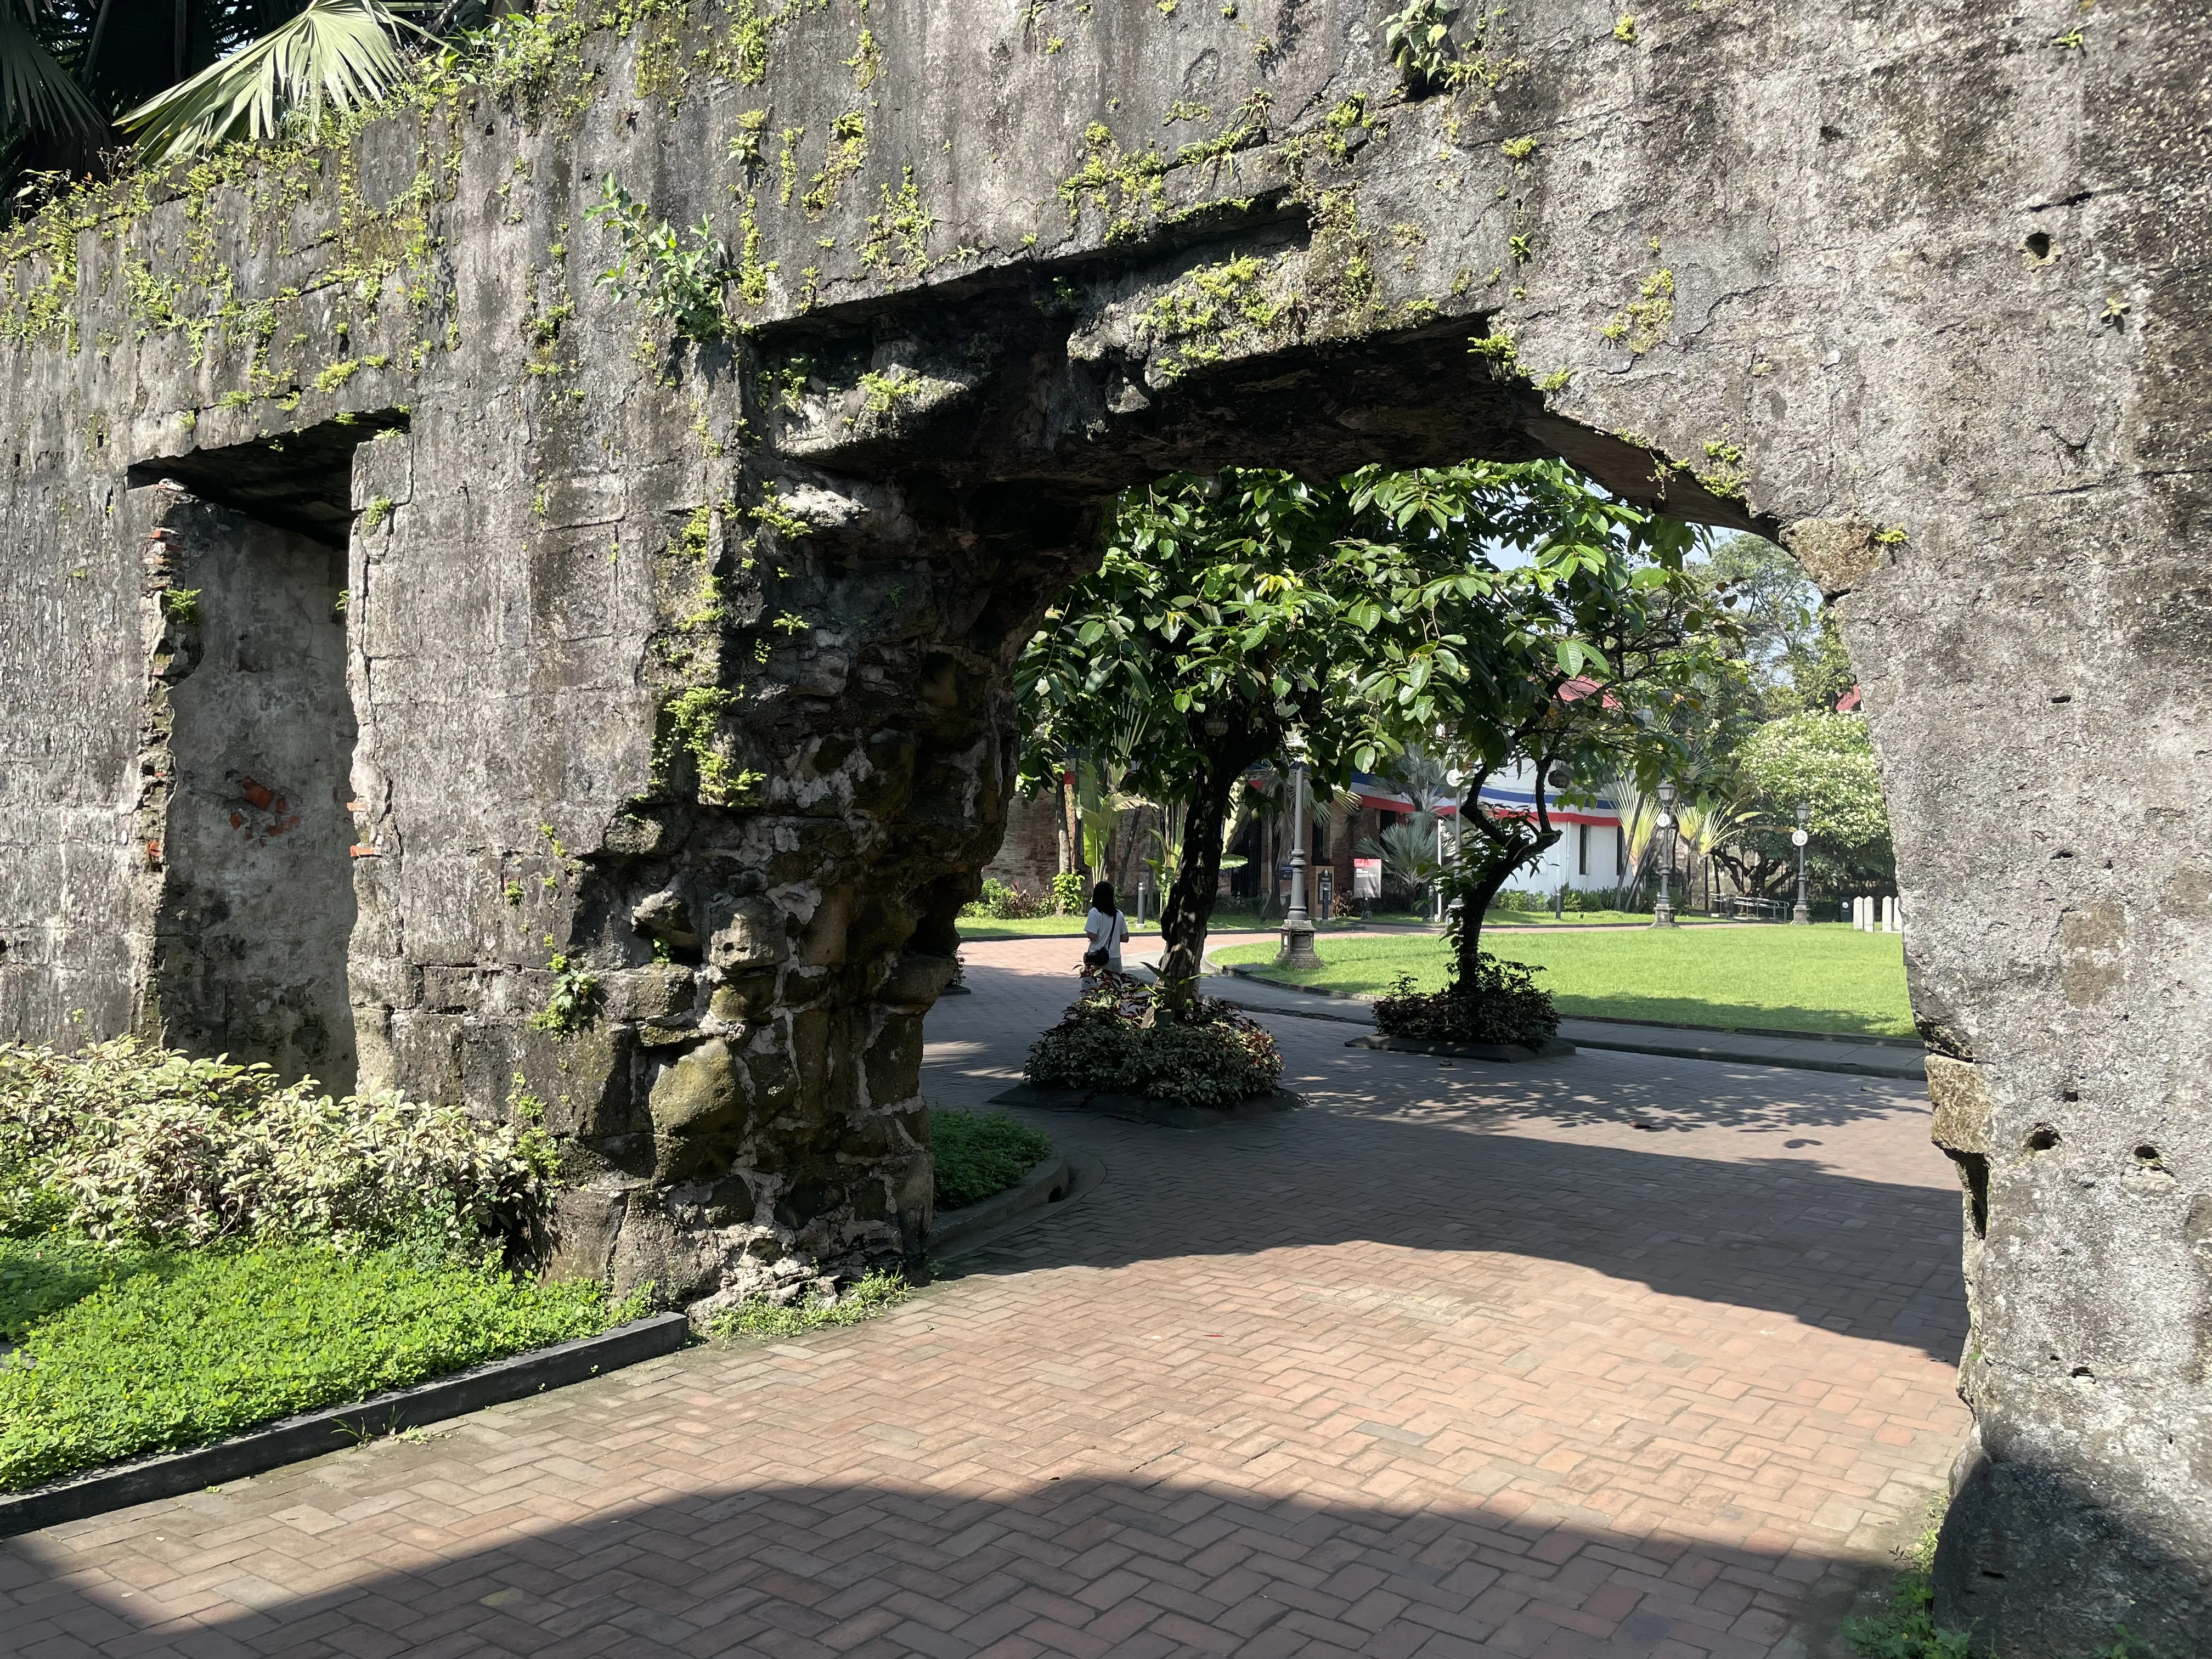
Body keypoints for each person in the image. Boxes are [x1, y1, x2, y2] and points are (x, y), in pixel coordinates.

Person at [1083, 881, 1127, 974]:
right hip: (1115, 958)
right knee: (1114, 986)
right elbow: (1125, 938)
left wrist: (1088, 934)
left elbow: (1093, 936)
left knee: (1093, 987)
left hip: (1097, 959)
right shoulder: (1119, 914)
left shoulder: (1095, 912)